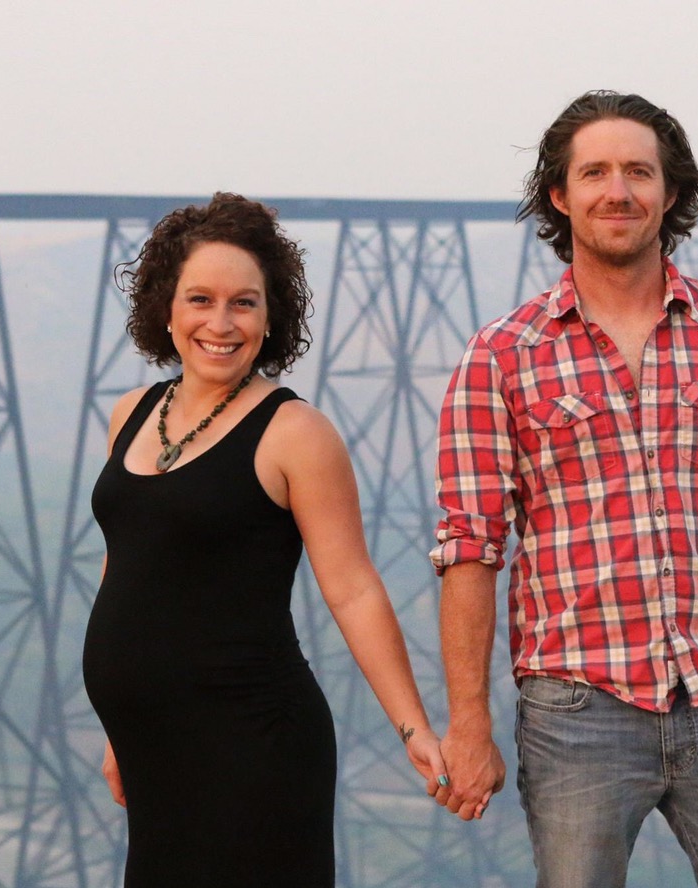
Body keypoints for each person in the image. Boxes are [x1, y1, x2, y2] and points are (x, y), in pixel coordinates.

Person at [428, 91, 698, 887]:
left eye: (639, 171)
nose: (617, 190)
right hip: (576, 711)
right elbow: (470, 547)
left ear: (671, 193)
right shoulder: (500, 356)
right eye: (594, 172)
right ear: (560, 196)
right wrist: (468, 723)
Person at [82, 193, 446, 887]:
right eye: (200, 299)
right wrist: (118, 727)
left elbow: (353, 589)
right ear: (166, 308)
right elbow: (128, 563)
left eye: (244, 303)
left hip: (253, 746)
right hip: (150, 747)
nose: (221, 323)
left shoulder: (295, 433)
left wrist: (413, 729)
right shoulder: (132, 413)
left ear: (271, 315)